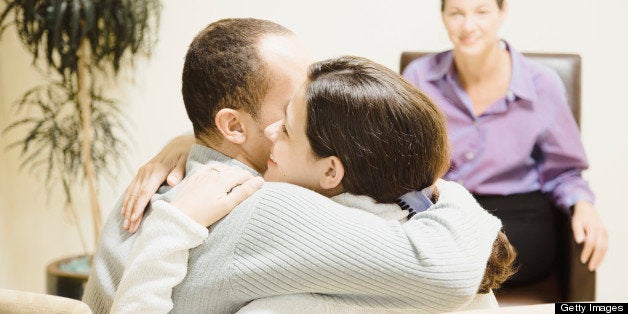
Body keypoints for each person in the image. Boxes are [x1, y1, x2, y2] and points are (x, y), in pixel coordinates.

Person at [83, 18, 503, 314]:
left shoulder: (152, 188)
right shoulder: (268, 207)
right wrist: (436, 184)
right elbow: (444, 269)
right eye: (293, 106)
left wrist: (185, 141)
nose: (317, 102)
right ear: (232, 125)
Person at [401, 0, 608, 285]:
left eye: (482, 12)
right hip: (441, 211)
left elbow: (563, 171)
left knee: (458, 263)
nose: (468, 25)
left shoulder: (542, 84)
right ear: (443, 17)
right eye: (456, 13)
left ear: (502, 12)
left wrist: (583, 204)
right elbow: (400, 160)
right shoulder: (418, 77)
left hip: (518, 217)